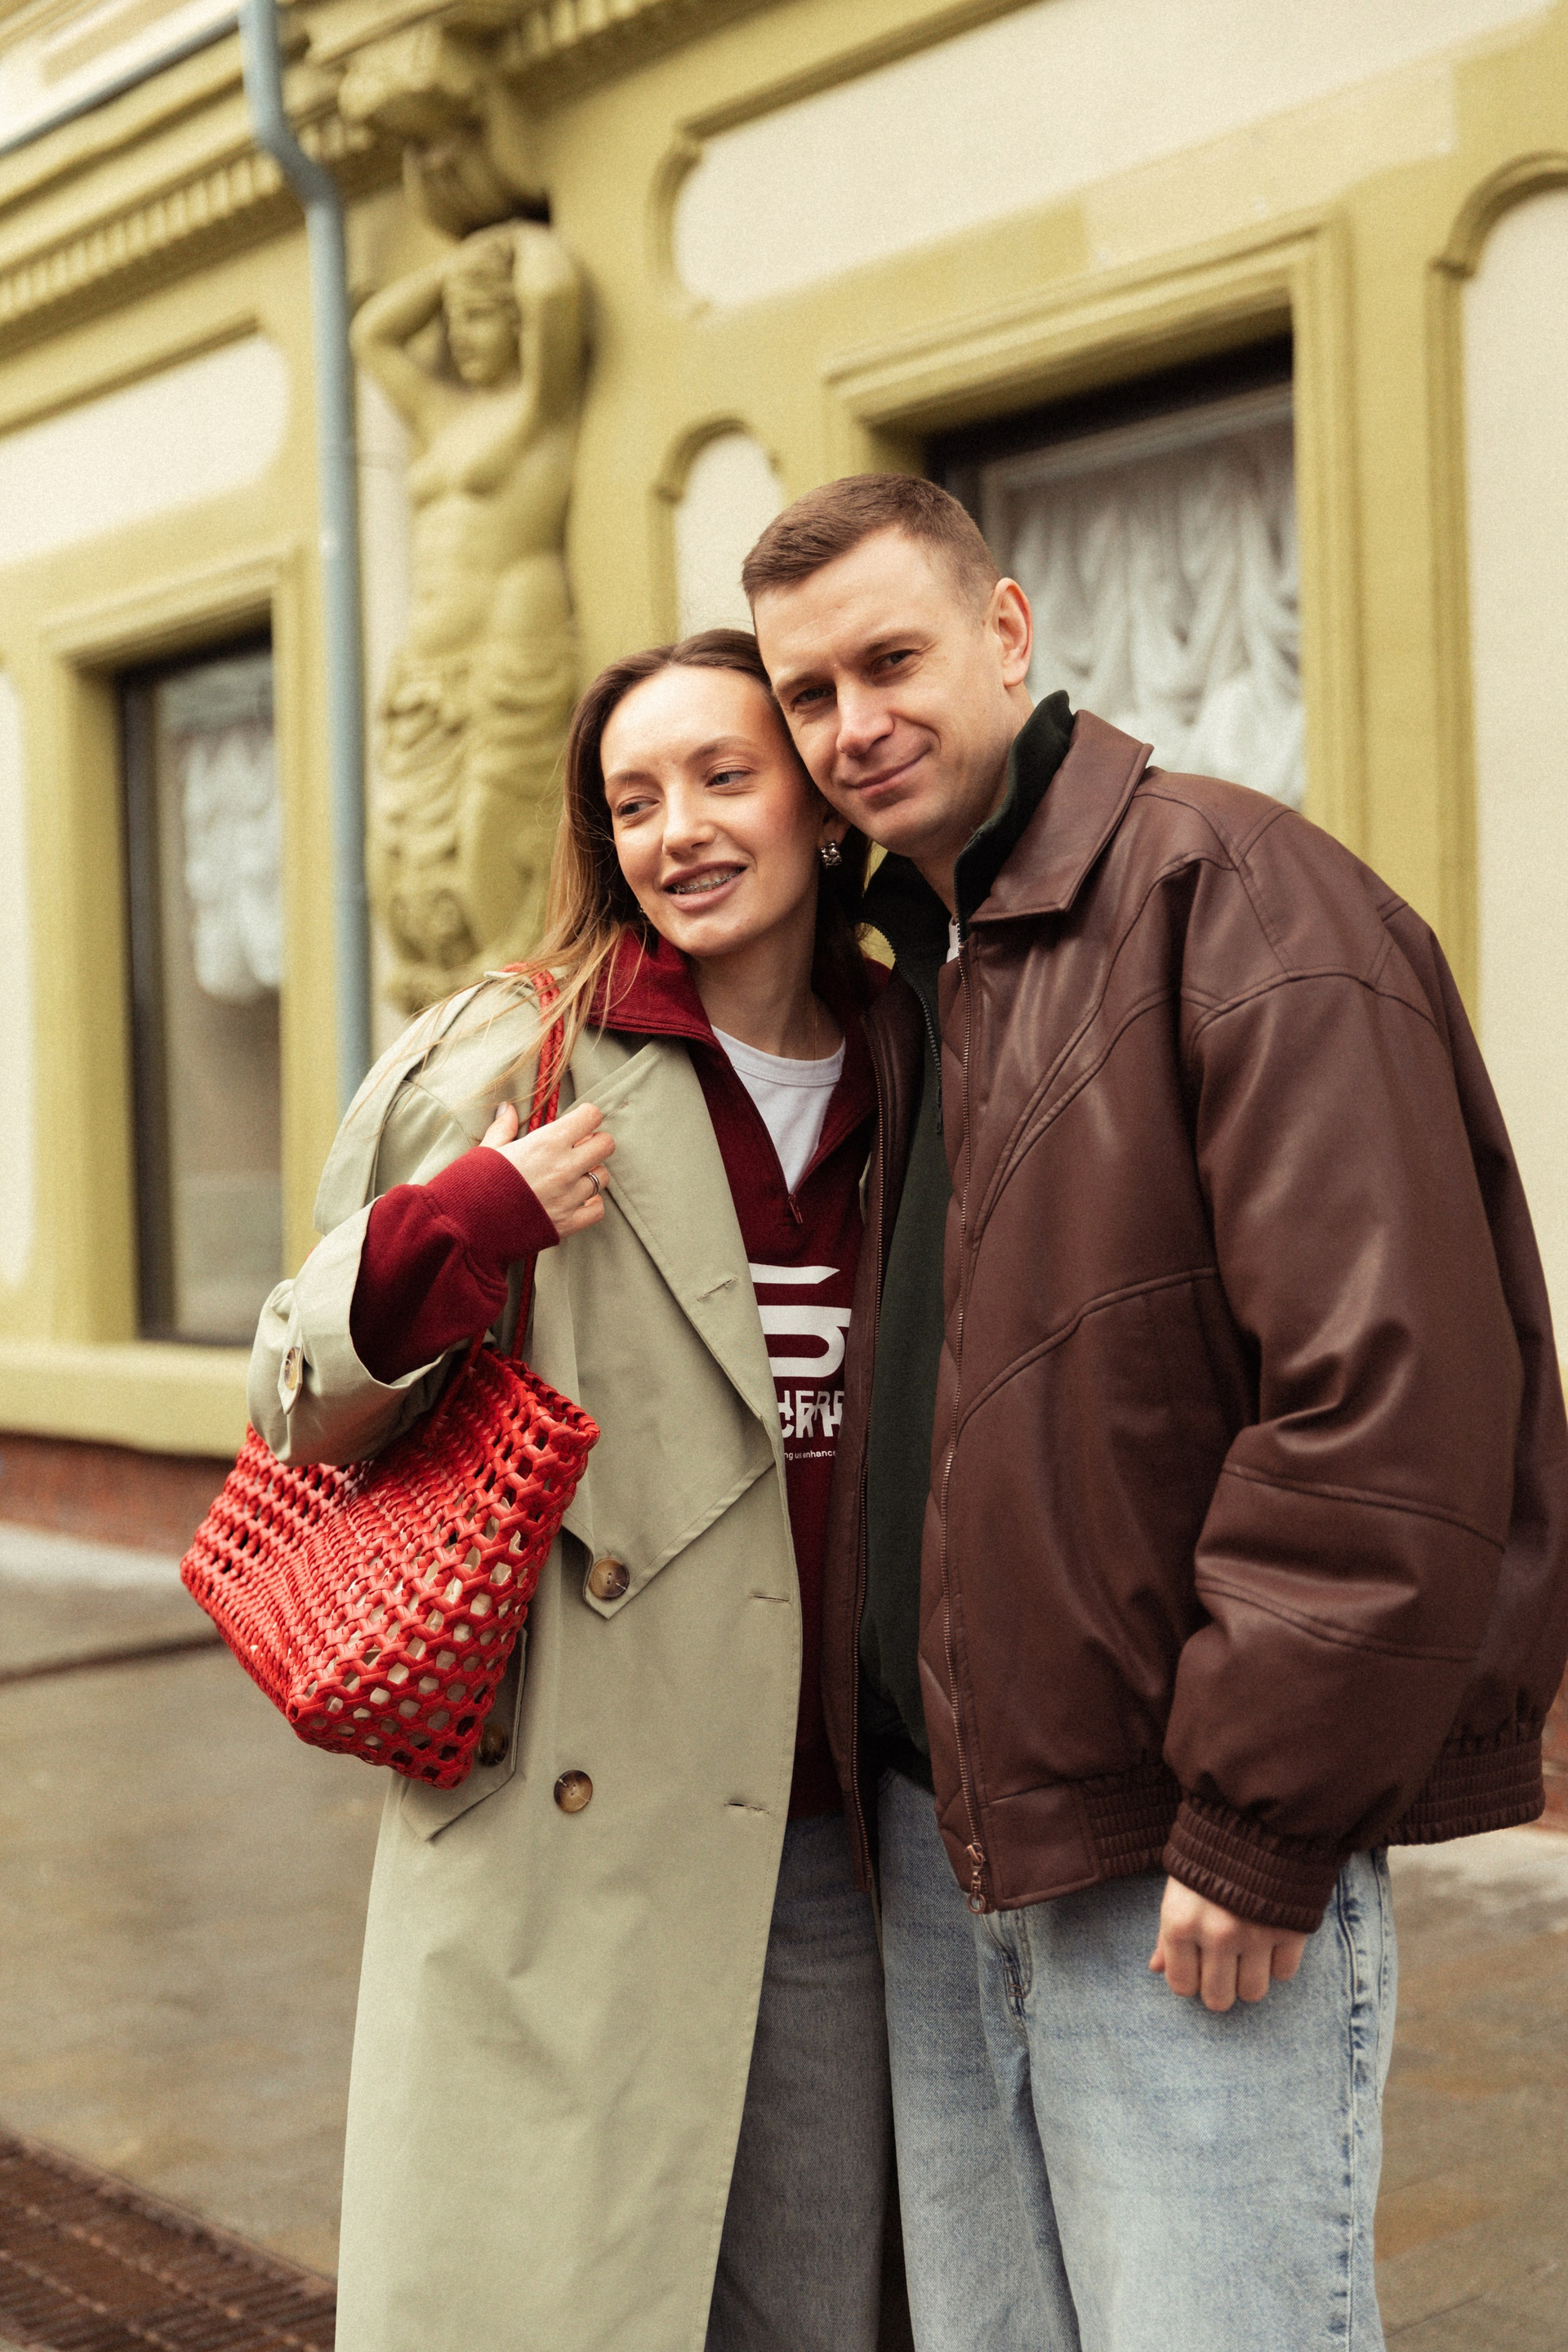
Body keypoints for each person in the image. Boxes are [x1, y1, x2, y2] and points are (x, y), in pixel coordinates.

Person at [742, 473, 1568, 2352]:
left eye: (891, 661)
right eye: (809, 694)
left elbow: (1389, 1391)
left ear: (1008, 633)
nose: (853, 724)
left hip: (1174, 1862)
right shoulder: (919, 967)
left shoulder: (1233, 893)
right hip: (945, 1850)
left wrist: (1262, 1823)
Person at [248, 630, 895, 2352]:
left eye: (724, 778)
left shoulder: (918, 1057)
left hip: (835, 1836)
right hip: (571, 1835)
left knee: (815, 2311)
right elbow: (292, 1393)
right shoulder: (513, 1049)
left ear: (821, 806)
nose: (679, 830)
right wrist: (470, 1218)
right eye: (634, 799)